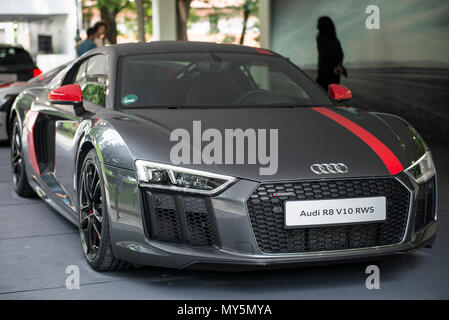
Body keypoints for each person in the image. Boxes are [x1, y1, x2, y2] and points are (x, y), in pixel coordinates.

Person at [316, 16, 347, 90]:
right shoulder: (334, 40)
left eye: (319, 24)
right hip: (331, 73)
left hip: (327, 74)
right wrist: (339, 65)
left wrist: (338, 66)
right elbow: (341, 55)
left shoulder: (322, 38)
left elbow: (338, 55)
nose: (317, 27)